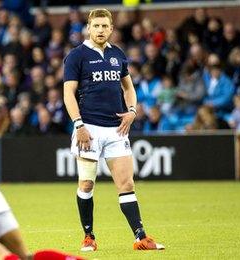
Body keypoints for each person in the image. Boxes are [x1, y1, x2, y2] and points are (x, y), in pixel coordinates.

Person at [62, 9, 165, 251]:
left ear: (111, 28)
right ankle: (88, 236)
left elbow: (128, 88)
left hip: (117, 130)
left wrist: (132, 110)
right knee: (86, 184)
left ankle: (140, 237)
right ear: (88, 28)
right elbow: (68, 93)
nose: (100, 30)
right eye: (96, 26)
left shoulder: (118, 54)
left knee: (127, 185)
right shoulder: (76, 56)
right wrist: (79, 125)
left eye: (104, 26)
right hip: (88, 128)